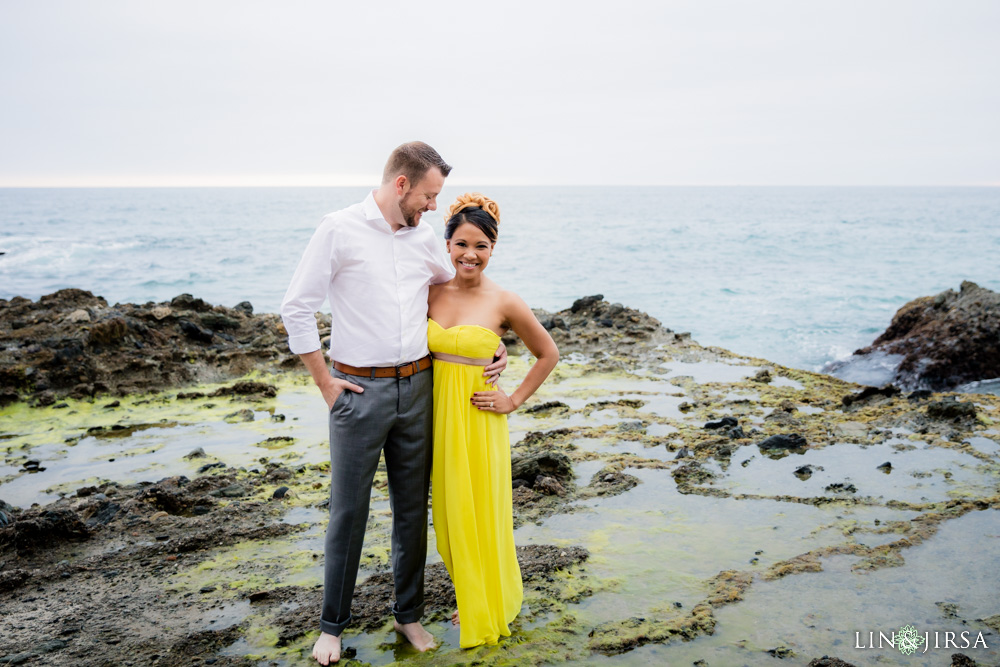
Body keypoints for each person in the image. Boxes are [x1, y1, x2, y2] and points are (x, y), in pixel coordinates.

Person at [280, 143, 507, 665]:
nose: (433, 206)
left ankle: (408, 617)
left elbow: (455, 291)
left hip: (421, 387)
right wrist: (325, 383)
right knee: (348, 512)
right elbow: (297, 307)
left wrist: (490, 341)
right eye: (429, 195)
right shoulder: (338, 229)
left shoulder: (424, 238)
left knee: (411, 512)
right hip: (359, 392)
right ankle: (331, 628)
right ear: (402, 185)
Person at [427, 193, 559, 648]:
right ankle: (469, 588)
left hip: (480, 423)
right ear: (447, 244)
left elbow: (548, 354)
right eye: (462, 243)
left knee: (479, 514)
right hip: (434, 421)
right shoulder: (429, 292)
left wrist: (514, 399)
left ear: (493, 248)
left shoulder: (505, 301)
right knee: (447, 518)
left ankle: (481, 600)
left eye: (482, 245)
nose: (470, 254)